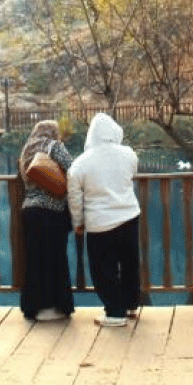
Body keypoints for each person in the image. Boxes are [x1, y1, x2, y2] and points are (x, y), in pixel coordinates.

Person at [68, 113, 141, 327]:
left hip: (100, 223)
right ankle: (129, 305)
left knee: (103, 268)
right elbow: (131, 174)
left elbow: (74, 198)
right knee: (129, 263)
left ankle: (114, 312)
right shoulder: (128, 154)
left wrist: (78, 222)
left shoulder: (80, 164)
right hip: (129, 216)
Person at [16, 120, 76, 322]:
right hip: (51, 211)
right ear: (53, 132)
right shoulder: (54, 146)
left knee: (34, 260)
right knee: (55, 258)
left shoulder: (26, 150)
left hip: (29, 211)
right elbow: (72, 168)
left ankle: (33, 308)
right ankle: (56, 307)